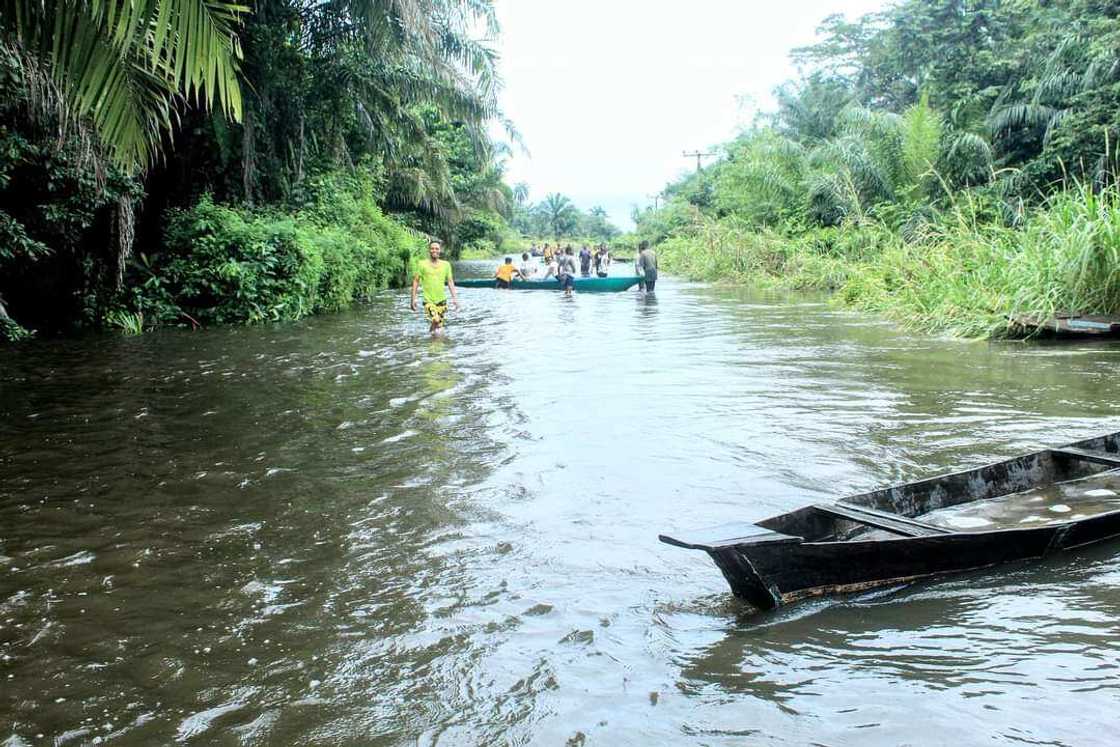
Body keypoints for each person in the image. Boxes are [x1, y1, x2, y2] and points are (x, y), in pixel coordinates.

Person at [411, 241, 459, 335]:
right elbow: (416, 281)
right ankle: (429, 338)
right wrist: (413, 299)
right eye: (432, 248)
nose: (434, 250)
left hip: (442, 301)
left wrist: (455, 298)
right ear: (429, 250)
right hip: (428, 301)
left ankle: (433, 343)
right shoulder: (422, 264)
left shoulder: (446, 265)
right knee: (436, 320)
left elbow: (450, 281)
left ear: (440, 250)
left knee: (439, 330)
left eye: (437, 248)